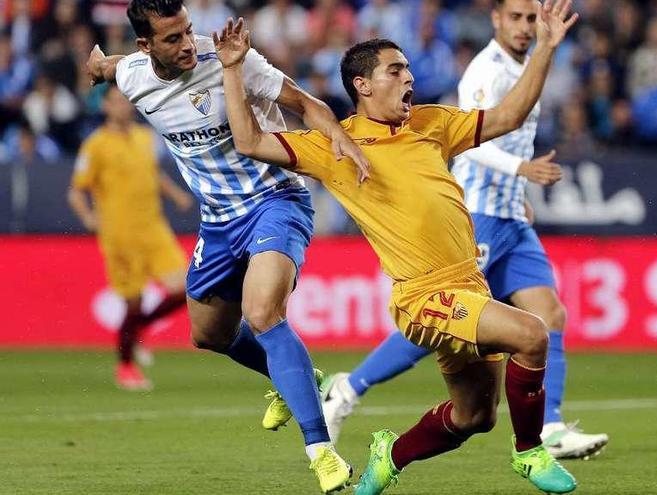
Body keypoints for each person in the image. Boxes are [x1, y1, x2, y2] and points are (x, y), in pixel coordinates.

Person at [213, 0, 579, 491]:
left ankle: (390, 455)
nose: (409, 77)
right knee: (532, 334)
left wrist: (546, 48)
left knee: (475, 416)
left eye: (408, 67)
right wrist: (234, 70)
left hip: (470, 285)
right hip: (424, 296)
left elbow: (510, 116)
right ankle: (531, 452)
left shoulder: (431, 123)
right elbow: (250, 141)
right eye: (396, 69)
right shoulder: (337, 145)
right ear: (363, 85)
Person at [84, 1, 369, 491]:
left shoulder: (232, 61)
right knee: (209, 335)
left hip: (274, 200)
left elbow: (305, 103)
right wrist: (94, 67)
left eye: (188, 31)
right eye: (172, 39)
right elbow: (104, 65)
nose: (188, 45)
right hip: (217, 222)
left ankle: (322, 452)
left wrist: (339, 137)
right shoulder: (133, 74)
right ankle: (297, 378)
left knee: (263, 314)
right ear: (145, 46)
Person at [318, 0, 609, 461]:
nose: (524, 27)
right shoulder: (485, 72)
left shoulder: (524, 66)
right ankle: (348, 388)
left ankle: (549, 424)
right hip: (478, 215)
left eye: (531, 18)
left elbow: (512, 129)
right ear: (496, 19)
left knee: (549, 315)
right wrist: (520, 168)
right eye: (515, 17)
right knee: (451, 319)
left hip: (510, 212)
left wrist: (518, 191)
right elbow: (476, 143)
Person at [68, 84, 190, 390]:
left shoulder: (145, 138)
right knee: (132, 303)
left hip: (154, 228)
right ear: (105, 107)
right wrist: (88, 217)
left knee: (187, 288)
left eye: (126, 101)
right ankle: (125, 368)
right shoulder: (95, 145)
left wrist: (175, 193)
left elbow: (152, 173)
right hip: (120, 235)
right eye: (116, 102)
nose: (123, 107)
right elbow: (76, 191)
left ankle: (137, 332)